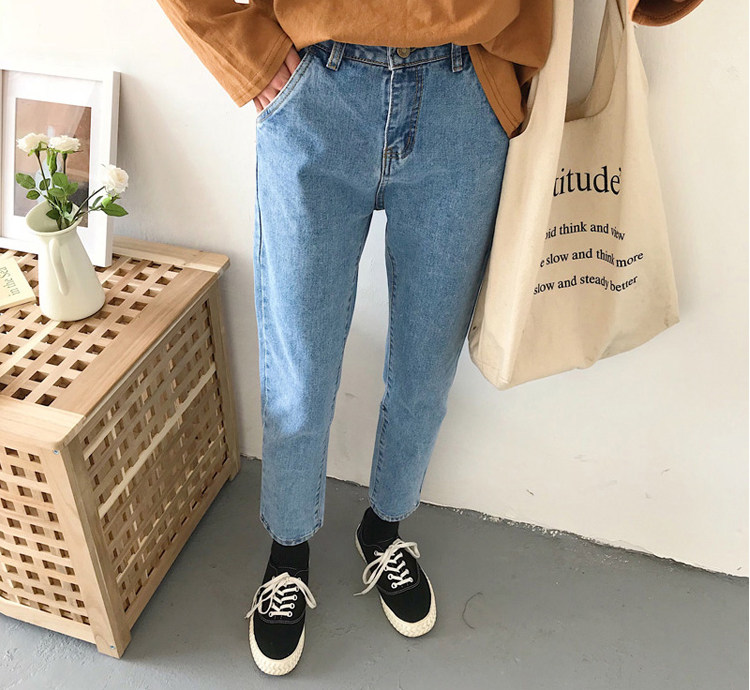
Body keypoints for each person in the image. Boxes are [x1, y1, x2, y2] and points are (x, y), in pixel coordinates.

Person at [155, 0, 704, 676]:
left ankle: (383, 528)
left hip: (466, 98)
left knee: (424, 366)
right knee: (301, 366)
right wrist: (245, 53)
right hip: (317, 89)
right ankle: (289, 549)